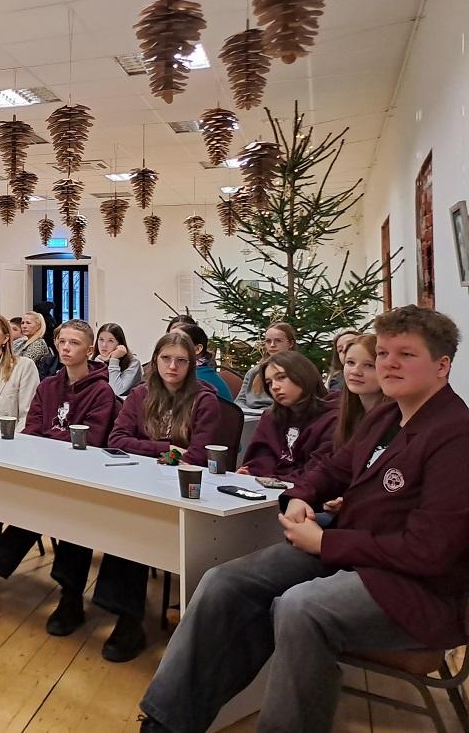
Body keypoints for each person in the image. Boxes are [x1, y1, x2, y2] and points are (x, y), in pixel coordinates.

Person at [139, 306, 469, 733]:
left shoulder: (455, 434)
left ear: (442, 365)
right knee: (225, 581)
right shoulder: (387, 414)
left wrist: (325, 543)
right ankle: (168, 720)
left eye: (405, 354)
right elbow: (334, 466)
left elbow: (429, 552)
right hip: (353, 551)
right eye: (384, 352)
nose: (388, 363)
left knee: (300, 606)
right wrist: (299, 494)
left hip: (413, 587)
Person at [0, 321, 118, 638]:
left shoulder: (102, 392)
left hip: (78, 478)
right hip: (41, 468)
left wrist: (50, 446)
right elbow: (32, 431)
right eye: (62, 341)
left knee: (67, 513)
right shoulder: (48, 387)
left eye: (75, 343)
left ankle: (68, 597)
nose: (66, 347)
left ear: (89, 350)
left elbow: (93, 441)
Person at [103, 331, 222, 662]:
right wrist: (164, 449)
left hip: (185, 489)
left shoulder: (205, 399)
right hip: (140, 481)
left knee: (139, 524)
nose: (173, 366)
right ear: (155, 361)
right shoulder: (140, 395)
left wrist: (168, 455)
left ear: (191, 364)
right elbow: (118, 438)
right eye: (166, 359)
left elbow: (197, 455)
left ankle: (129, 619)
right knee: (125, 520)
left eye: (181, 360)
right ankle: (126, 616)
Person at [237, 350, 336, 484]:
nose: (275, 387)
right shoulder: (271, 417)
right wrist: (252, 472)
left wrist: (273, 480)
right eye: (269, 383)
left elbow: (319, 472)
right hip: (268, 490)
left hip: (308, 495)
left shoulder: (332, 418)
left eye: (281, 377)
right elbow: (261, 458)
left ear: (302, 375)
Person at [236, 322, 297, 409]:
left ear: (290, 344)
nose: (272, 345)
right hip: (251, 416)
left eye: (278, 341)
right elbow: (239, 401)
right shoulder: (254, 372)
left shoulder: (298, 371)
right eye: (268, 341)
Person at [177, 324, 233, 401]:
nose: (170, 347)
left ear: (197, 349)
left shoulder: (193, 378)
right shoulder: (202, 371)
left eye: (179, 342)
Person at [93, 322, 143, 396]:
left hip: (125, 406)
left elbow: (115, 391)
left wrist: (114, 359)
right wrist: (98, 361)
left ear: (119, 344)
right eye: (101, 339)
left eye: (110, 341)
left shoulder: (133, 363)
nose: (104, 345)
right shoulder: (95, 360)